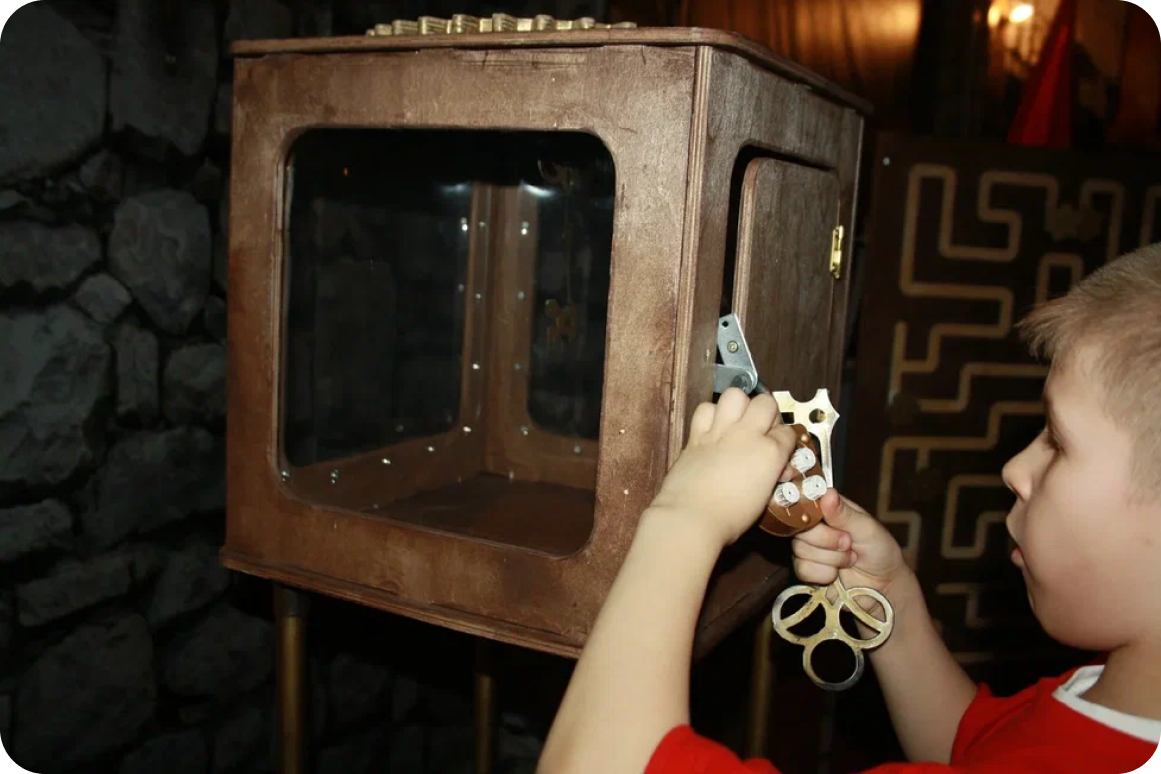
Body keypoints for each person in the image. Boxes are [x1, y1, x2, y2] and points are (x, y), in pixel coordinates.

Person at [537, 242, 1161, 773]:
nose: (1015, 469)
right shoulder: (1113, 697)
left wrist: (685, 516)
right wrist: (891, 601)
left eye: (1058, 441)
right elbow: (975, 749)